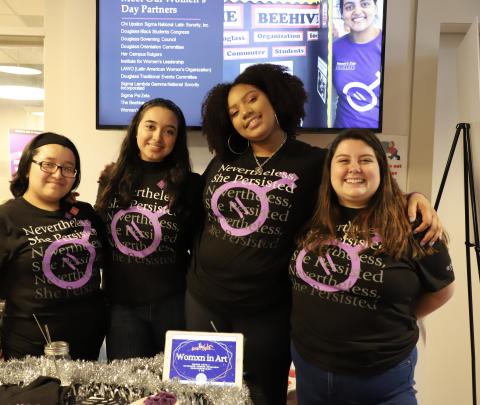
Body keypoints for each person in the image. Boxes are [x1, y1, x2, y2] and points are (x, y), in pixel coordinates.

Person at [186, 63, 442, 405]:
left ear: (276, 99)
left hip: (267, 309)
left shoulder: (312, 162)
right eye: (233, 111)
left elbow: (359, 183)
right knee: (203, 395)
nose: (244, 112)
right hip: (203, 299)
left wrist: (413, 197)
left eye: (252, 99)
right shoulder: (222, 161)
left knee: (263, 396)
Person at [289, 129, 455, 405]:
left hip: (383, 382)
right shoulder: (311, 215)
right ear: (329, 171)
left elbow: (442, 291)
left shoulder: (413, 222)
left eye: (365, 160)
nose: (354, 168)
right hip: (312, 375)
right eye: (343, 161)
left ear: (382, 167)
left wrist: (395, 316)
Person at [0, 132, 108, 360]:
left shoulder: (85, 213)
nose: (58, 174)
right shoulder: (0, 220)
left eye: (67, 168)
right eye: (48, 165)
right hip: (28, 351)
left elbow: (107, 266)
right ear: (26, 168)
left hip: (89, 346)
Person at [95, 98, 202, 360]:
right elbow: (98, 232)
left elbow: (199, 245)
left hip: (174, 303)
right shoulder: (111, 179)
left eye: (169, 131)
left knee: (178, 388)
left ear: (177, 139)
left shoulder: (191, 184)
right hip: (123, 307)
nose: (158, 137)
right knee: (131, 391)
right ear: (136, 130)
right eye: (150, 127)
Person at [332, 0, 382, 128]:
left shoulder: (388, 46)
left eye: (364, 4)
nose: (357, 11)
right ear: (342, 13)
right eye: (349, 6)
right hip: (341, 137)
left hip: (376, 139)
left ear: (375, 8)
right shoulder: (334, 48)